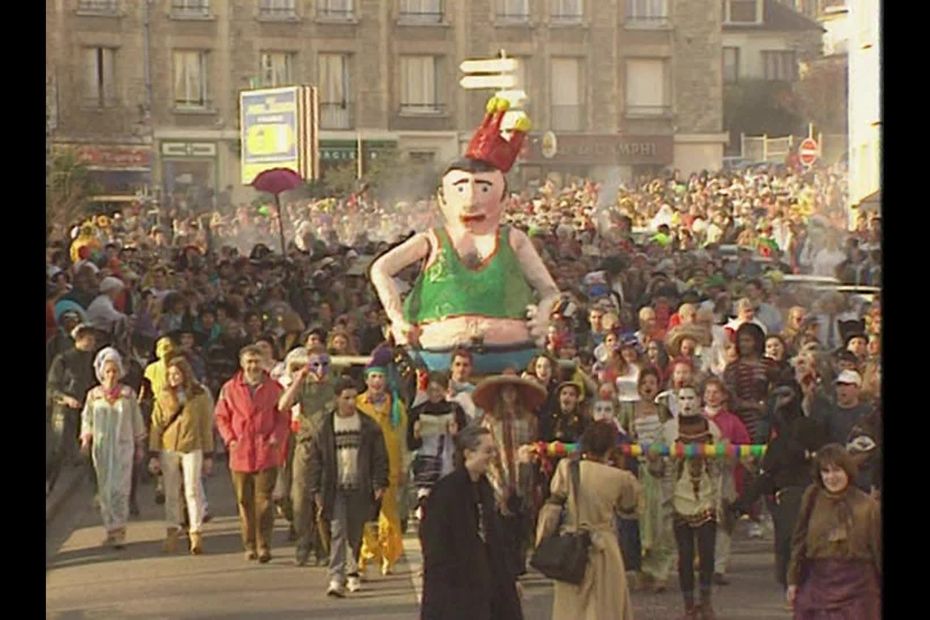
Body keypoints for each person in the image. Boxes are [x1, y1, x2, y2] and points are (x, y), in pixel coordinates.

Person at [535, 421, 641, 620]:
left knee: (571, 607)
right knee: (605, 605)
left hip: (571, 545)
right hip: (604, 547)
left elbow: (553, 505)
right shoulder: (620, 478)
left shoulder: (567, 468)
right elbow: (630, 509)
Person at [420, 425, 524, 620]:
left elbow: (494, 537)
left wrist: (509, 579)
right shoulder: (447, 490)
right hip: (456, 586)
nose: (493, 455)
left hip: (487, 580)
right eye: (487, 451)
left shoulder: (484, 486)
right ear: (468, 453)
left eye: (493, 450)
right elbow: (433, 541)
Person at [304, 377, 389, 598]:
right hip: (335, 487)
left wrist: (380, 483)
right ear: (337, 399)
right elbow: (316, 460)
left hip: (360, 486)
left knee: (355, 531)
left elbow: (380, 457)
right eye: (346, 398)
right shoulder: (326, 426)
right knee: (338, 531)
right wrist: (315, 489)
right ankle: (336, 577)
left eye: (354, 398)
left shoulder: (368, 426)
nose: (351, 402)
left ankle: (353, 571)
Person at [786, 444, 881, 618]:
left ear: (848, 471)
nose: (831, 477)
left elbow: (878, 551)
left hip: (859, 589)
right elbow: (799, 542)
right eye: (826, 472)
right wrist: (793, 581)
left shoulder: (867, 506)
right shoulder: (812, 498)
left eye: (837, 470)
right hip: (818, 584)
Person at [214, 344, 288, 563]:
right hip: (240, 453)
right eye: (249, 362)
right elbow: (221, 416)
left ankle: (264, 544)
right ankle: (249, 544)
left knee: (264, 502)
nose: (253, 366)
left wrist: (277, 437)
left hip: (267, 451)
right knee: (245, 502)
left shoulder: (274, 388)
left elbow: (283, 416)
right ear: (242, 364)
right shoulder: (229, 388)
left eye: (256, 361)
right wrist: (230, 439)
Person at [472, 373, 546, 576]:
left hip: (524, 473)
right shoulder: (490, 420)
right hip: (498, 470)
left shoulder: (530, 419)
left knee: (521, 521)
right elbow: (488, 449)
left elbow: (535, 446)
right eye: (505, 391)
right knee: (500, 521)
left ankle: (518, 562)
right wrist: (497, 480)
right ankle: (503, 565)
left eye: (513, 391)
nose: (509, 394)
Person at [79, 348, 146, 549]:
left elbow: (137, 420)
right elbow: (87, 419)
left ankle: (119, 529)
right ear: (101, 372)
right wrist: (86, 440)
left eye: (115, 371)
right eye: (107, 371)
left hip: (123, 446)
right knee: (105, 489)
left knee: (120, 489)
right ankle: (110, 528)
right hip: (101, 447)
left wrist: (140, 444)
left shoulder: (127, 394)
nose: (111, 375)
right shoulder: (94, 395)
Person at [148, 356, 214, 555]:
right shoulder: (163, 395)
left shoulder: (199, 395)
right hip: (169, 447)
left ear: (186, 373)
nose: (174, 378)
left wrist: (209, 454)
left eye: (177, 373)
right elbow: (156, 424)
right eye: (170, 374)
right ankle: (172, 528)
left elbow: (205, 425)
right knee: (171, 491)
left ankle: (195, 531)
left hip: (192, 445)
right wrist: (153, 453)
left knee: (192, 489)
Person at [670, 402, 724, 619]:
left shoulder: (712, 446)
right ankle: (689, 605)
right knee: (685, 556)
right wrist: (655, 459)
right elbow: (657, 471)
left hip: (706, 500)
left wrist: (725, 453)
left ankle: (706, 600)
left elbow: (723, 467)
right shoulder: (673, 446)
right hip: (680, 501)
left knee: (707, 553)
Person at [356, 355, 408, 577]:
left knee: (389, 514)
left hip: (391, 465)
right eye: (373, 377)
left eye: (381, 377)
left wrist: (404, 465)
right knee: (364, 514)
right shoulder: (357, 403)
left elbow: (402, 438)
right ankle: (367, 555)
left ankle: (389, 555)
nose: (377, 381)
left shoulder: (396, 406)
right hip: (363, 466)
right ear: (367, 380)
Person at [701, 378, 751, 585]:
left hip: (725, 476)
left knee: (724, 522)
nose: (712, 396)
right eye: (708, 392)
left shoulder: (733, 421)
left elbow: (746, 449)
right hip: (700, 476)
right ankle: (703, 563)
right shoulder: (695, 419)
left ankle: (719, 567)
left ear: (723, 396)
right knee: (701, 521)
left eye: (716, 392)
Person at [407, 371, 468, 516]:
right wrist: (416, 435)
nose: (434, 394)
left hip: (449, 462)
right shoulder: (417, 411)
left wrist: (455, 434)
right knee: (427, 505)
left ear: (446, 390)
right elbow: (410, 445)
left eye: (438, 390)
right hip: (426, 465)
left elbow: (465, 441)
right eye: (431, 390)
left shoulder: (455, 409)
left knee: (449, 505)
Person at [47, 323, 98, 495]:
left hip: (87, 408)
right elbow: (52, 387)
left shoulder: (93, 359)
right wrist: (66, 398)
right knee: (58, 449)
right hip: (63, 410)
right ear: (79, 339)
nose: (92, 343)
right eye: (89, 339)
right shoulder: (63, 359)